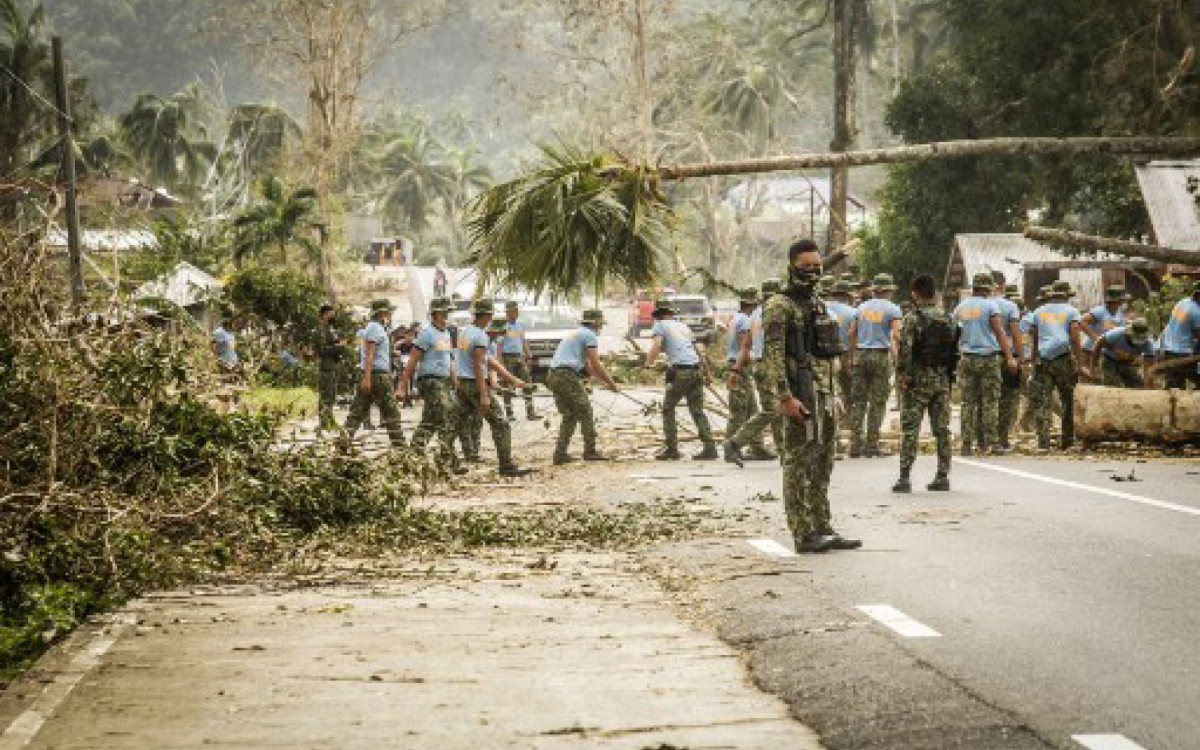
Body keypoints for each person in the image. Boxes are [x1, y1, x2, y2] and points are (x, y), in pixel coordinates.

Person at [760, 239, 859, 553]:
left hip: (823, 393)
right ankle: (803, 533)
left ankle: (822, 526)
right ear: (791, 267)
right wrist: (785, 397)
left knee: (823, 462)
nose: (813, 272)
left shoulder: (816, 302)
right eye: (806, 267)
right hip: (799, 395)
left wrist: (836, 393)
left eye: (817, 266)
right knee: (798, 463)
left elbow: (824, 355)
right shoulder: (780, 305)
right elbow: (772, 356)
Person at [453, 299, 533, 477]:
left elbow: (488, 360)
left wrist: (512, 379)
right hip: (474, 383)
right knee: (500, 424)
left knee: (455, 421)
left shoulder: (465, 332)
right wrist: (484, 394)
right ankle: (506, 465)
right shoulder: (480, 335)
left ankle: (446, 461)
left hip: (463, 382)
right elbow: (478, 364)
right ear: (487, 316)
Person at [893, 274, 956, 493]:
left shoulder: (912, 318)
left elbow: (905, 350)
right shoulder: (948, 317)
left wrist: (902, 376)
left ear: (914, 293)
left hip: (917, 381)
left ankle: (904, 478)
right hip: (941, 380)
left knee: (911, 429)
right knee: (942, 429)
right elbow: (954, 349)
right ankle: (942, 475)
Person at [645, 300, 718, 461]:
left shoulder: (660, 325)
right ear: (672, 313)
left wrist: (647, 364)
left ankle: (672, 448)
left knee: (668, 408)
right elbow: (697, 350)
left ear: (660, 315)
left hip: (681, 372)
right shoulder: (684, 327)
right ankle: (710, 447)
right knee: (697, 410)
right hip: (696, 370)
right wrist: (706, 373)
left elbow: (656, 345)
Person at [953, 273, 1017, 456]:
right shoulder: (991, 305)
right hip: (988, 358)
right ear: (988, 289)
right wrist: (1010, 357)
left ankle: (967, 444)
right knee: (990, 401)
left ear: (973, 288)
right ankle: (992, 442)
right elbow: (999, 332)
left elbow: (955, 334)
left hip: (966, 358)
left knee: (968, 403)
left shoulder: (960, 308)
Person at [546, 309, 620, 464]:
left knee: (569, 415)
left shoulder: (577, 333)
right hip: (566, 375)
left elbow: (588, 367)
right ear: (596, 323)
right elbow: (596, 364)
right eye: (600, 323)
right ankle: (590, 451)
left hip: (553, 375)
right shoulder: (589, 335)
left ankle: (560, 454)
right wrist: (612, 383)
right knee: (585, 410)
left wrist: (603, 382)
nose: (601, 327)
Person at [399, 297, 462, 473]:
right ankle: (447, 461)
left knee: (430, 421)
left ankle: (412, 456)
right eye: (443, 313)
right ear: (435, 314)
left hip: (443, 381)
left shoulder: (446, 333)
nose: (446, 316)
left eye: (447, 313)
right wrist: (402, 386)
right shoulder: (426, 334)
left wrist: (455, 380)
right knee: (447, 416)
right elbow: (412, 360)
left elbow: (448, 358)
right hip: (430, 380)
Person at [724, 280, 782, 461]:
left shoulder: (754, 315)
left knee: (768, 408)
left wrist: (736, 369)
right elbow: (747, 344)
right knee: (771, 410)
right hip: (767, 365)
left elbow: (746, 345)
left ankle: (779, 449)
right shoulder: (770, 313)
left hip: (758, 366)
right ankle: (735, 442)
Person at [1029, 280, 1089, 450]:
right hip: (1062, 358)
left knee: (1043, 400)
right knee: (1067, 399)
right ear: (1067, 296)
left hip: (1042, 359)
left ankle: (1043, 441)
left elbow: (1035, 338)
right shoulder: (1071, 311)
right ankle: (1067, 440)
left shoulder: (1038, 312)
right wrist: (1080, 363)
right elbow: (1075, 338)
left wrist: (1033, 360)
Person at [847, 273, 902, 458]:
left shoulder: (861, 308)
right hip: (880, 355)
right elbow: (896, 335)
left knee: (858, 402)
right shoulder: (893, 309)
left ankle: (855, 444)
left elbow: (851, 333)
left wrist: (851, 356)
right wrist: (900, 360)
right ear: (888, 291)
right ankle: (871, 445)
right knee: (877, 402)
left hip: (860, 355)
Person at [342, 299, 405, 448]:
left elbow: (375, 354)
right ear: (382, 313)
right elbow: (370, 354)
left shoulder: (378, 328)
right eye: (389, 311)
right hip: (377, 375)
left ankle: (343, 442)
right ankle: (400, 447)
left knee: (357, 411)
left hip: (374, 373)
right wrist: (367, 378)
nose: (390, 314)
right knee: (392, 413)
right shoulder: (375, 328)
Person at [724, 288, 761, 449]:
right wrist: (754, 360)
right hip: (739, 366)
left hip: (737, 365)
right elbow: (743, 346)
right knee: (738, 410)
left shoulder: (736, 318)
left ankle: (757, 446)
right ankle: (731, 445)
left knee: (753, 408)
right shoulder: (745, 321)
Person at [993, 280, 1024, 451]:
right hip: (1007, 356)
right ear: (1002, 286)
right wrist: (1020, 357)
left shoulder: (979, 306)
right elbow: (1015, 332)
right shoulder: (1010, 306)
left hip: (986, 355)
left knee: (987, 399)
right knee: (1007, 398)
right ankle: (1002, 438)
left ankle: (982, 439)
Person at [1158, 280, 1200, 390]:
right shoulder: (1196, 312)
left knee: (1173, 388)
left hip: (1169, 349)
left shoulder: (1183, 302)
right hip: (1182, 354)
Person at [500, 301, 538, 421]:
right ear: (507, 312)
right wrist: (500, 362)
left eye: (516, 310)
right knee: (508, 386)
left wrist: (528, 355)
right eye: (513, 311)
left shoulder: (520, 325)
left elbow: (523, 340)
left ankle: (530, 412)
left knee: (527, 382)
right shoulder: (503, 326)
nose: (515, 313)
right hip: (507, 357)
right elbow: (499, 345)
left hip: (519, 357)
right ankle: (509, 414)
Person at [1091, 320, 1156, 388]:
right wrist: (1092, 369)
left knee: (1138, 385)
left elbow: (1149, 368)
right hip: (1109, 360)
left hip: (1127, 364)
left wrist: (1148, 385)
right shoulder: (1117, 333)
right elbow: (1098, 344)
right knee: (1113, 386)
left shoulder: (1148, 344)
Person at [317, 304, 345, 431]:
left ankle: (329, 420)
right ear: (324, 315)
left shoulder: (331, 329)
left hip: (332, 367)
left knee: (331, 395)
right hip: (325, 367)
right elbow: (322, 350)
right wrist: (338, 346)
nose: (333, 316)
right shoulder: (321, 330)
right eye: (331, 314)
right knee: (326, 396)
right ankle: (324, 422)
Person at [1081, 286, 1130, 351]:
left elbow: (1121, 331)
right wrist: (1096, 338)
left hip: (1105, 349)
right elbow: (1083, 323)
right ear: (1116, 300)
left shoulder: (1119, 313)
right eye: (1123, 300)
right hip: (1090, 349)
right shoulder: (1099, 311)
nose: (1124, 302)